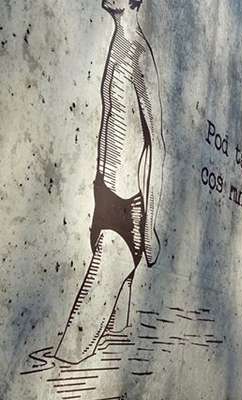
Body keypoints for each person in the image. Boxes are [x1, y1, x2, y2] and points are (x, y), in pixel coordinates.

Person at [55, 0, 164, 364]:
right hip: (104, 194)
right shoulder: (117, 42)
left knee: (71, 351)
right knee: (115, 336)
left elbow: (157, 143)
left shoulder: (138, 53)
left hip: (126, 210)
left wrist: (148, 227)